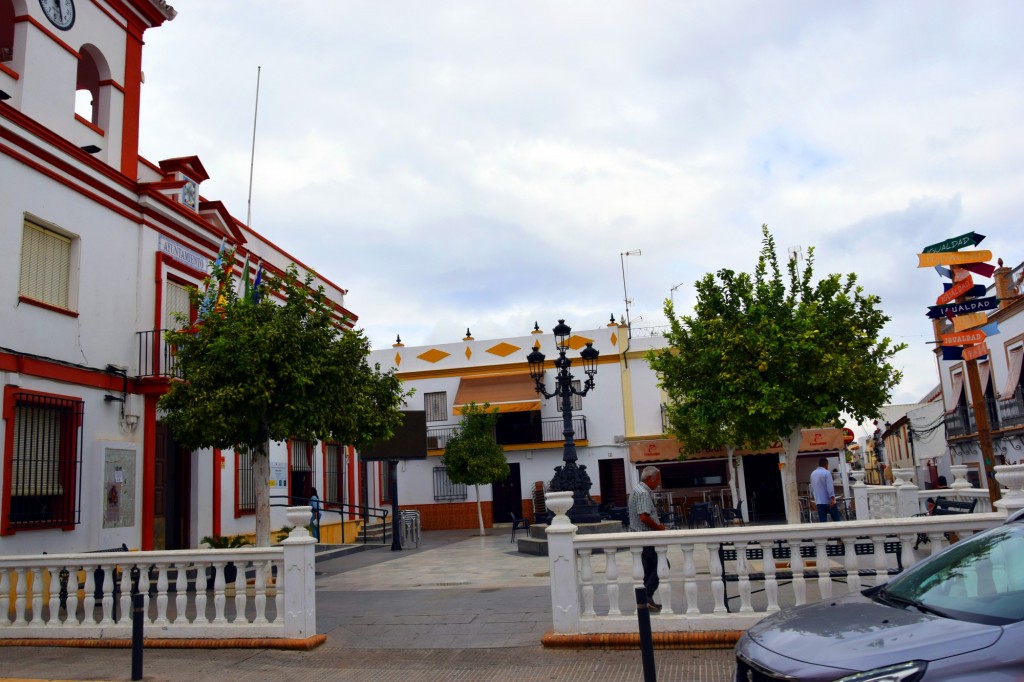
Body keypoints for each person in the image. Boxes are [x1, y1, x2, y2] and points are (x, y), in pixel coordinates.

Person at [628, 466, 667, 612]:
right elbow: (644, 517)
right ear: (650, 478)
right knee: (662, 565)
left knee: (649, 568)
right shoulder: (643, 493)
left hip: (640, 536)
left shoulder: (637, 489)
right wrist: (659, 528)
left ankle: (645, 601)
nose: (658, 482)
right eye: (657, 479)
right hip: (645, 536)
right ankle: (647, 596)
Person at [809, 458, 841, 522]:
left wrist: (814, 499)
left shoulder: (813, 474)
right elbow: (830, 487)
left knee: (823, 521)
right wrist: (832, 497)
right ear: (826, 464)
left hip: (819, 501)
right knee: (836, 520)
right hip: (828, 501)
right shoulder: (827, 473)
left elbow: (812, 487)